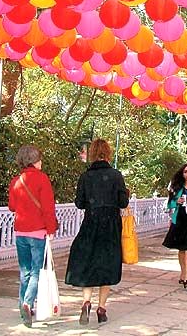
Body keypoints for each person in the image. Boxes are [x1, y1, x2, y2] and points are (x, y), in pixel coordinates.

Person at [65, 139, 129, 325]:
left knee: (88, 262)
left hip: (91, 223)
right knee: (107, 264)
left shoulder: (85, 177)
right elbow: (123, 203)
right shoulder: (116, 175)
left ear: (92, 153)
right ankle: (101, 309)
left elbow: (79, 203)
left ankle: (86, 302)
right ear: (108, 153)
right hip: (110, 226)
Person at [8, 145, 58, 327]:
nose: (41, 162)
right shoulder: (42, 179)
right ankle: (28, 303)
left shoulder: (16, 180)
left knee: (25, 270)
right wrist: (51, 229)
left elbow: (12, 206)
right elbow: (48, 207)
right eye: (40, 159)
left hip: (20, 230)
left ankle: (23, 305)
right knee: (37, 270)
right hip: (38, 231)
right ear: (35, 161)